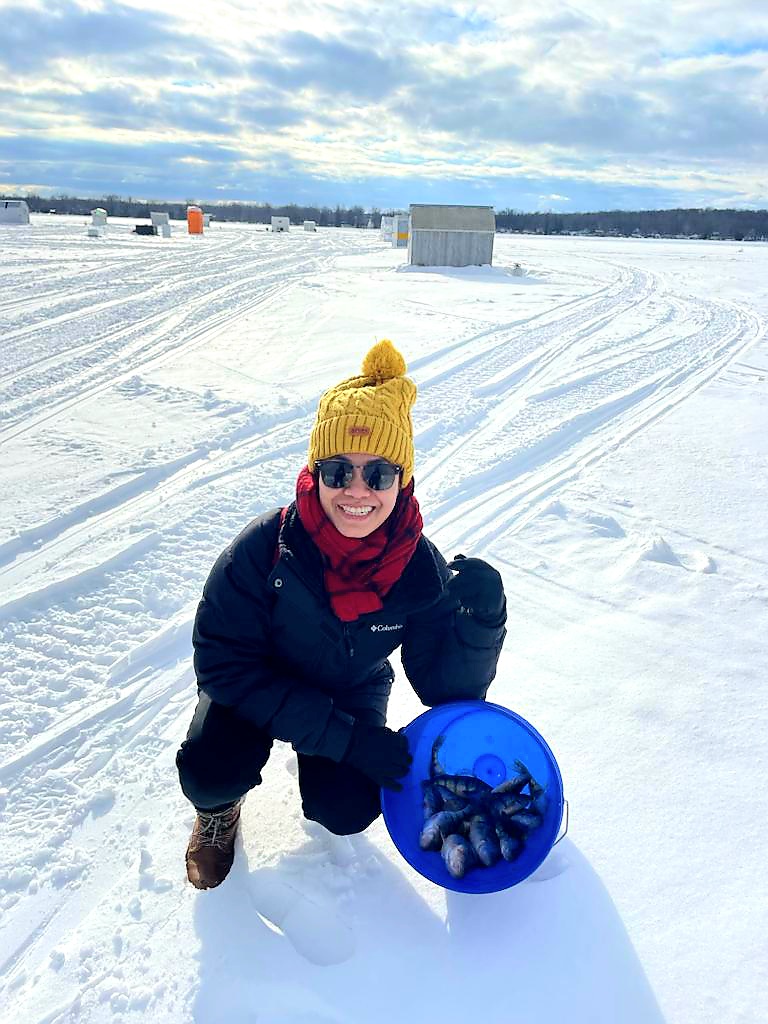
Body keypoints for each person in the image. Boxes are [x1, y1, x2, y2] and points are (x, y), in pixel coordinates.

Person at [176, 340, 507, 889]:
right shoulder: (263, 549)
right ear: (315, 473)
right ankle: (218, 814)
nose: (357, 491)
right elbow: (222, 666)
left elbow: (445, 690)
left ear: (402, 480)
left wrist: (481, 623)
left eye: (378, 474)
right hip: (258, 683)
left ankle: (323, 759)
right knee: (210, 772)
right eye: (338, 471)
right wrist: (347, 740)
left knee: (349, 806)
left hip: (349, 687)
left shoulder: (418, 570)